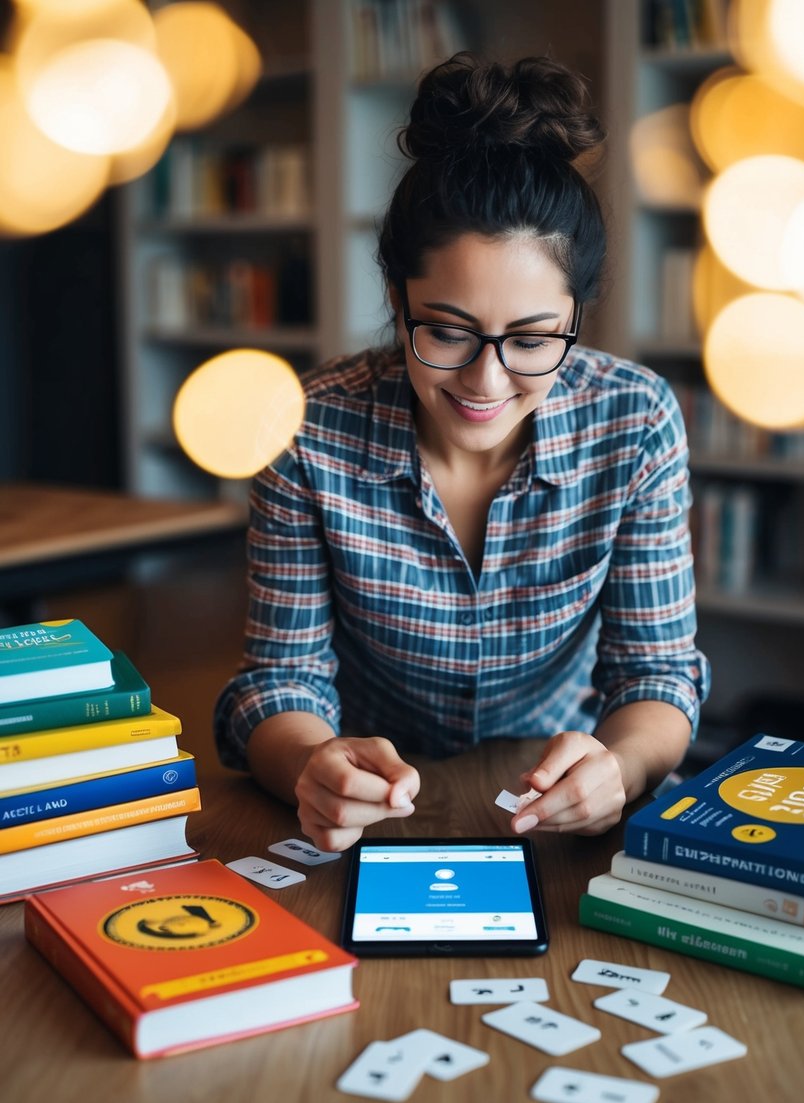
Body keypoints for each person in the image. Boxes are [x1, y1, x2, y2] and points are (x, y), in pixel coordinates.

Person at [213, 52, 710, 851]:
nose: (486, 379)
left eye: (532, 339)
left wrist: (621, 766)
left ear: (575, 317)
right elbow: (281, 678)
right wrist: (311, 763)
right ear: (395, 300)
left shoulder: (636, 420)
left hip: (551, 803)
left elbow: (656, 676)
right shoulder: (305, 428)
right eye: (446, 329)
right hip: (374, 808)